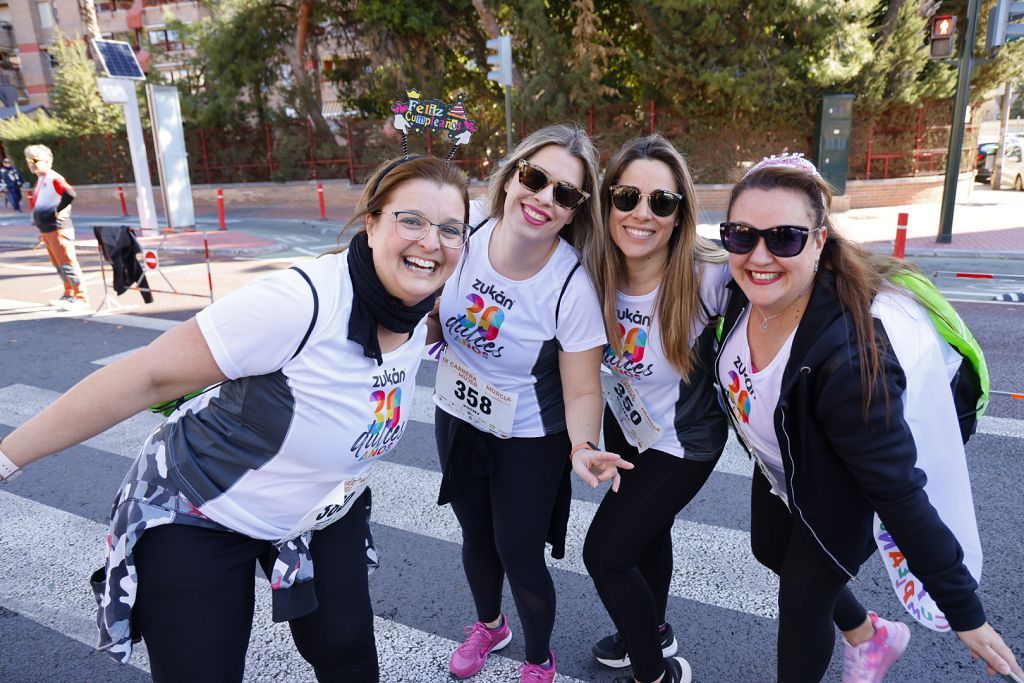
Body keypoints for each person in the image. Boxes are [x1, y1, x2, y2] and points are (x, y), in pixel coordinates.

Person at [0, 155, 472, 682]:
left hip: (319, 508)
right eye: (411, 220)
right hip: (201, 506)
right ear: (371, 221)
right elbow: (146, 377)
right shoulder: (301, 301)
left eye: (451, 229)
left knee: (348, 652)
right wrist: (5, 457)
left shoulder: (429, 305)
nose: (431, 242)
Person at [714, 154, 1023, 682]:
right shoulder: (738, 292)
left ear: (819, 240)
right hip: (785, 466)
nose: (759, 255)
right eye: (741, 235)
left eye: (784, 237)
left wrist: (964, 611)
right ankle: (871, 633)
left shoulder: (851, 360)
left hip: (837, 489)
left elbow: (898, 491)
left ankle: (863, 646)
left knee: (803, 604)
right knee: (769, 548)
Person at [433, 124, 632, 683]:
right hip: (457, 414)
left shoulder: (571, 286)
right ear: (513, 174)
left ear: (574, 211)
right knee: (474, 535)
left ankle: (539, 657)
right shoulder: (465, 230)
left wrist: (583, 446)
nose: (544, 198)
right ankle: (490, 625)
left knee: (518, 553)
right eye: (536, 178)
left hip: (528, 436)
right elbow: (426, 294)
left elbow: (583, 387)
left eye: (564, 193)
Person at [582, 135, 732, 683]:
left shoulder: (707, 276)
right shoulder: (592, 265)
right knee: (648, 533)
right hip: (626, 427)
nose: (641, 214)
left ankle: (656, 672)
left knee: (604, 554)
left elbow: (786, 287)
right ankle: (653, 629)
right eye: (626, 197)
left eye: (661, 202)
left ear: (679, 213)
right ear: (607, 203)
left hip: (684, 442)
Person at [24, 144, 88, 310]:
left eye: (35, 160)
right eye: (29, 160)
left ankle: (80, 296)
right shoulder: (42, 179)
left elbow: (70, 193)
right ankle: (69, 294)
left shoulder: (53, 178)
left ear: (47, 161)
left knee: (67, 262)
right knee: (59, 264)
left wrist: (57, 212)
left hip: (58, 228)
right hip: (48, 229)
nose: (32, 163)